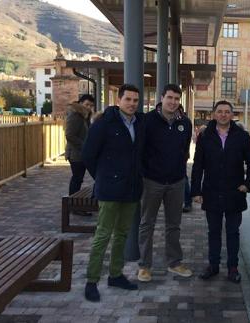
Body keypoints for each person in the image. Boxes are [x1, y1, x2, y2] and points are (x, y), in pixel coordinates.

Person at [82, 84, 145, 302]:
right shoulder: (104, 124)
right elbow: (88, 154)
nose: (132, 104)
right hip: (109, 189)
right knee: (103, 235)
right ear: (119, 100)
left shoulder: (140, 123)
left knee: (122, 234)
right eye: (128, 99)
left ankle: (116, 275)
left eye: (135, 100)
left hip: (132, 189)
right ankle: (91, 281)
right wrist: (103, 176)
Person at [191, 100, 250, 283]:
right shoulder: (205, 136)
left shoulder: (241, 136)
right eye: (219, 111)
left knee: (232, 232)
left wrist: (247, 184)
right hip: (211, 192)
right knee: (213, 232)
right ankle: (213, 265)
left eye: (227, 112)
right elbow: (198, 166)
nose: (223, 114)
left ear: (232, 115)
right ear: (214, 114)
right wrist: (195, 191)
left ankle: (232, 267)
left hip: (234, 193)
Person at [138, 84, 193, 282]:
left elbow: (185, 150)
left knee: (174, 225)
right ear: (162, 98)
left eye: (177, 99)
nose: (173, 102)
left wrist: (179, 171)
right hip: (152, 181)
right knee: (147, 224)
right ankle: (144, 266)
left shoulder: (185, 123)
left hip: (176, 182)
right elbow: (140, 150)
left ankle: (175, 263)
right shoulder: (147, 120)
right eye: (170, 97)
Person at [65, 94, 94, 200]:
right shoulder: (75, 115)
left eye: (91, 105)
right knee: (77, 179)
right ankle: (73, 204)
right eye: (87, 104)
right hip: (75, 154)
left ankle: (74, 203)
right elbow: (69, 135)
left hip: (81, 153)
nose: (89, 107)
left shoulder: (84, 115)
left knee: (78, 178)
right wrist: (85, 146)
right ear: (80, 103)